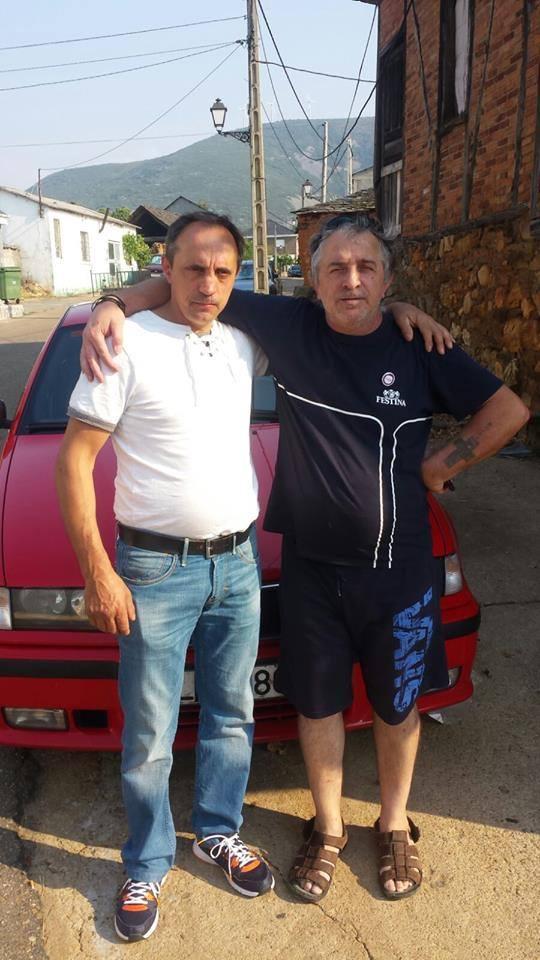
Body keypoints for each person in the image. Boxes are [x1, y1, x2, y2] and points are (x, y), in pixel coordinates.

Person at [81, 213, 523, 906]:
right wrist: (113, 303)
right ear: (311, 281)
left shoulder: (417, 345)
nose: (352, 280)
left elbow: (508, 410)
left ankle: (394, 824)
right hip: (312, 569)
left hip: (401, 569)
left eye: (366, 267)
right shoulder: (286, 326)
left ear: (388, 279)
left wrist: (443, 465)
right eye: (335, 268)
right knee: (317, 705)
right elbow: (188, 284)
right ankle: (328, 826)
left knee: (398, 705)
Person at [56, 212, 276, 943]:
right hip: (154, 569)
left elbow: (335, 322)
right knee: (151, 731)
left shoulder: (244, 340)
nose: (208, 285)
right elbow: (73, 463)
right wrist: (98, 572)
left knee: (232, 714)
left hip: (237, 564)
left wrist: (398, 310)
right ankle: (147, 862)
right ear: (166, 268)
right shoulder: (126, 344)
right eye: (193, 269)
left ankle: (218, 831)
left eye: (223, 271)